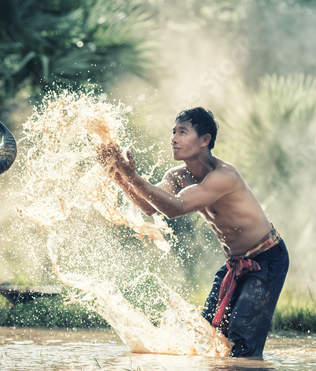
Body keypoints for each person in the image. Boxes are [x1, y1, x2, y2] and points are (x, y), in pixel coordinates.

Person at [106, 107, 289, 357]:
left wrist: (133, 177)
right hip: (234, 262)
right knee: (209, 334)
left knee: (241, 337)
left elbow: (175, 208)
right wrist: (119, 177)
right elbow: (149, 206)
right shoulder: (178, 176)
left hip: (267, 257)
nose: (174, 139)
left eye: (183, 132)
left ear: (205, 140)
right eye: (173, 132)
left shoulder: (223, 176)